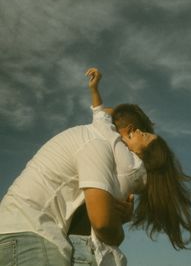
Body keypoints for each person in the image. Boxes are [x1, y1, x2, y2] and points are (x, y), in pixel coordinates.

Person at [0, 68, 155, 266]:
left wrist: (118, 215)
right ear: (129, 132)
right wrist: (117, 228)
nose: (131, 157)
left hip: (19, 232)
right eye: (135, 151)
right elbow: (102, 224)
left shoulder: (91, 141)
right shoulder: (96, 144)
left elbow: (105, 114)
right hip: (31, 233)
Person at [69, 68, 191, 265]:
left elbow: (102, 116)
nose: (136, 132)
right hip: (96, 247)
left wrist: (95, 91)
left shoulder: (126, 161)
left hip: (83, 243)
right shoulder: (131, 171)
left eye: (142, 134)